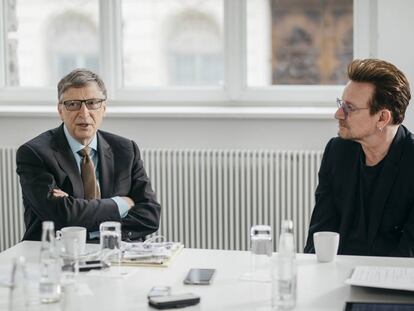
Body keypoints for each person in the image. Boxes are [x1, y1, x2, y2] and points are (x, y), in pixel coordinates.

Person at [16, 68, 161, 241]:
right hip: (56, 255)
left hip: (118, 253)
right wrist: (121, 203)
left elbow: (150, 215)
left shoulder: (126, 150)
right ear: (60, 110)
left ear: (104, 108)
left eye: (92, 103)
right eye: (73, 104)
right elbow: (62, 216)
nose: (84, 113)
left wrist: (91, 228)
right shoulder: (34, 154)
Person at [304, 59, 414, 257]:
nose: (338, 114)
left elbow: (409, 254)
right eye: (341, 104)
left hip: (391, 280)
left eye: (350, 108)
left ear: (382, 118)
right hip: (337, 274)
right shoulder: (336, 152)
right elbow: (320, 234)